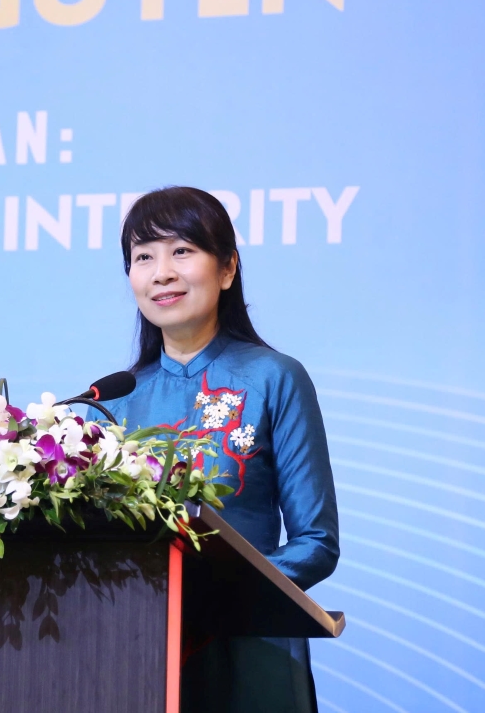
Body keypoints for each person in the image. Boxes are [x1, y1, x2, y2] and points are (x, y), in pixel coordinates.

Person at [104, 186, 340, 713]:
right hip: (134, 649)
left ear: (228, 268)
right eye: (144, 257)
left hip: (247, 643)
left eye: (182, 251)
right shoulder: (112, 402)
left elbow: (317, 542)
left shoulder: (274, 378)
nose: (162, 273)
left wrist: (216, 594)